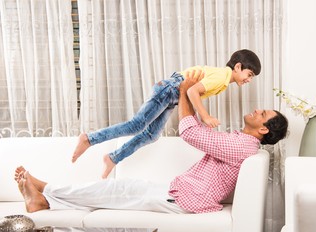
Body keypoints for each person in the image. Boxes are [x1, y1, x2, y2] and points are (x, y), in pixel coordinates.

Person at [15, 71, 288, 216]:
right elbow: (199, 130)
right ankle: (46, 195)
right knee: (115, 190)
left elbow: (191, 133)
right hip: (179, 192)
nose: (255, 110)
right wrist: (190, 100)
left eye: (261, 114)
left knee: (116, 192)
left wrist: (183, 92)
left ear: (263, 129)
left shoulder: (243, 146)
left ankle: (45, 195)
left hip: (184, 199)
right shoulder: (241, 142)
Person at [71, 49, 262, 178]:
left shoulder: (223, 79)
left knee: (151, 135)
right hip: (169, 89)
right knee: (137, 125)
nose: (249, 80)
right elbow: (191, 91)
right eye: (249, 75)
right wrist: (205, 117)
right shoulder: (222, 77)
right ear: (238, 67)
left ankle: (113, 157)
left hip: (173, 95)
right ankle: (89, 139)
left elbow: (190, 92)